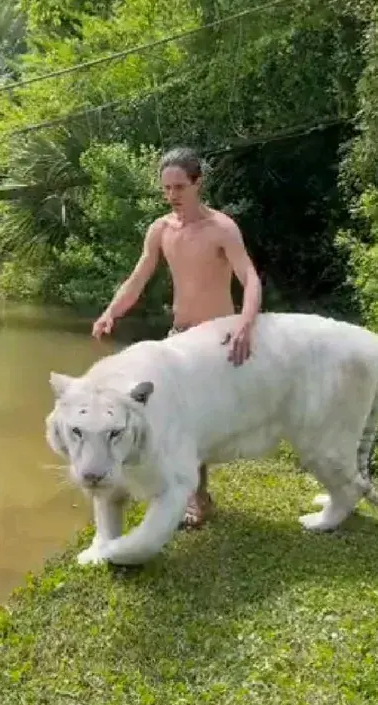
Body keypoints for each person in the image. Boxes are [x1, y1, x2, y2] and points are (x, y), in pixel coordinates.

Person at [92, 146, 262, 530]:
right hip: (178, 338)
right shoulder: (160, 230)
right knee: (170, 417)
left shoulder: (222, 228)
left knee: (194, 421)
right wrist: (110, 313)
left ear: (198, 183)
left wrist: (246, 323)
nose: (172, 196)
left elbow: (249, 277)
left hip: (215, 340)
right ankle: (187, 492)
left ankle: (196, 498)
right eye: (166, 188)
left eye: (180, 187)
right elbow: (137, 279)